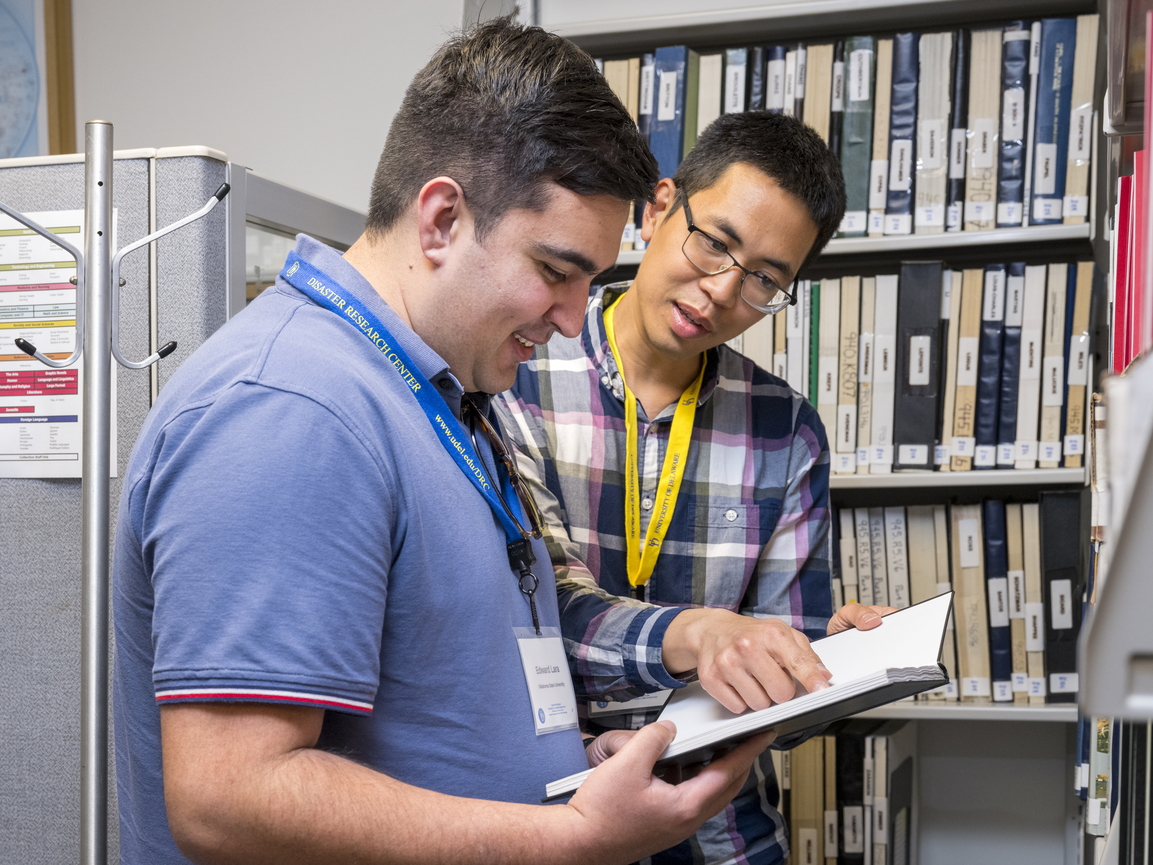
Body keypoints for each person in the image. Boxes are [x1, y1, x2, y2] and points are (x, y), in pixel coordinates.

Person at [109, 19, 827, 865]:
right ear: (443, 217)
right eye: (557, 271)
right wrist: (566, 837)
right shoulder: (292, 408)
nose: (571, 321)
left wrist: (565, 780)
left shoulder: (437, 390)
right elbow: (229, 797)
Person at [497, 111, 891, 865]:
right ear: (657, 208)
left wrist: (822, 668)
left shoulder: (786, 432)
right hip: (549, 822)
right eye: (714, 243)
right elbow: (532, 620)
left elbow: (789, 710)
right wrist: (705, 636)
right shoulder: (518, 376)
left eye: (765, 280)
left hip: (722, 838)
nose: (720, 291)